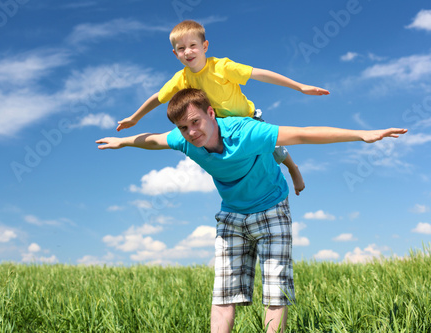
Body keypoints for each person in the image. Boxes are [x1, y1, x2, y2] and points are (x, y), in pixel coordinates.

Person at [97, 88, 407, 333]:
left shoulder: (245, 132)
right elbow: (152, 140)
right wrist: (122, 142)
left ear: (211, 113)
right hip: (232, 213)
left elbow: (303, 133)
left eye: (196, 122)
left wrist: (361, 134)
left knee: (275, 288)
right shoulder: (184, 139)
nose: (191, 132)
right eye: (183, 127)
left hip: (271, 206)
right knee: (223, 293)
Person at [116, 20, 330, 196]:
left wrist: (299, 86)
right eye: (181, 49)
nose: (188, 52)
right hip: (220, 127)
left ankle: (293, 169)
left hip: (247, 119)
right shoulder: (180, 79)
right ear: (175, 54)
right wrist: (135, 118)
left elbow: (260, 74)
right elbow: (158, 97)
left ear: (205, 47)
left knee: (274, 146)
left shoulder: (222, 67)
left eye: (193, 45)